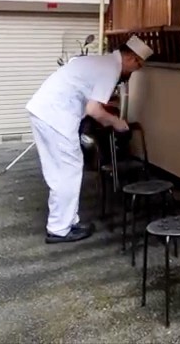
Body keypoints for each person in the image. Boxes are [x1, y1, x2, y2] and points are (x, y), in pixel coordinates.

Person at [25, 35, 153, 243]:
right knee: (69, 170)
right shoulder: (110, 69)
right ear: (131, 58)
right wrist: (116, 122)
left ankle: (67, 221)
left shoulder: (100, 61)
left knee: (58, 172)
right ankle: (60, 229)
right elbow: (94, 110)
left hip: (42, 111)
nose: (134, 70)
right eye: (137, 65)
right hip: (57, 116)